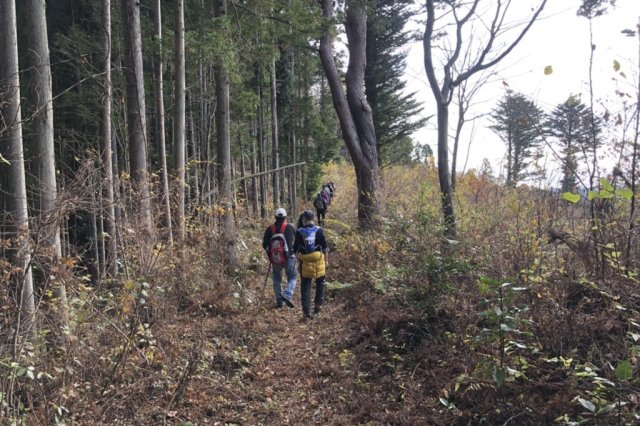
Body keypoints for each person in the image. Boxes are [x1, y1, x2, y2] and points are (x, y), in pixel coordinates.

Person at [294, 210, 329, 320]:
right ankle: (318, 308)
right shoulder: (319, 230)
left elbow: (295, 249)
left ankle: (306, 313)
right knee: (320, 284)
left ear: (303, 219)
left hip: (305, 263)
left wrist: (298, 260)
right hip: (319, 261)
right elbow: (325, 247)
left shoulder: (299, 232)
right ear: (313, 218)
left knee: (305, 287)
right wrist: (326, 261)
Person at [262, 208, 297, 308]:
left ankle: (279, 302)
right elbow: (297, 240)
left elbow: (264, 245)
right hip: (290, 257)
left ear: (275, 217)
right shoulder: (291, 227)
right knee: (293, 277)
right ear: (285, 217)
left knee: (277, 279)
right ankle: (288, 293)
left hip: (275, 259)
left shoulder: (270, 229)